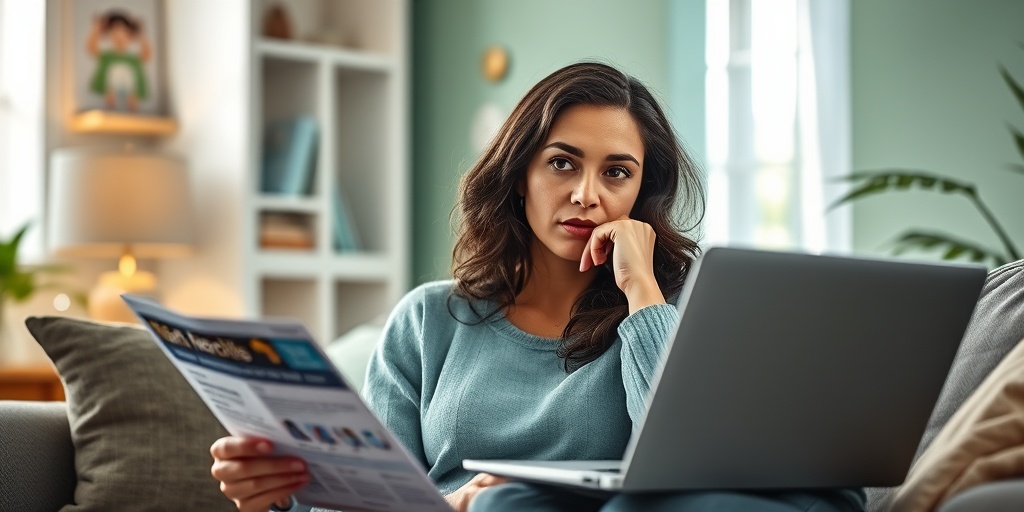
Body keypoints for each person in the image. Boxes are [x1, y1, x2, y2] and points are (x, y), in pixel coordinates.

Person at [209, 61, 866, 512]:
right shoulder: (428, 321)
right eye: (561, 163)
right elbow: (373, 497)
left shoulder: (675, 313)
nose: (587, 195)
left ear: (643, 191)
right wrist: (281, 494)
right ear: (519, 173)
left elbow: (694, 463)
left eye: (617, 172)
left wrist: (642, 291)